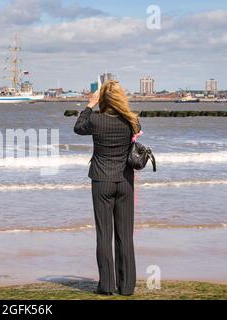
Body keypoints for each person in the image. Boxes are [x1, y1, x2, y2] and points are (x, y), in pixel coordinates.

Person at [74, 80, 141, 296]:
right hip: (125, 182)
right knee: (125, 235)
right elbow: (136, 130)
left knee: (104, 234)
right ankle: (127, 286)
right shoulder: (132, 120)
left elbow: (78, 128)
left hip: (101, 181)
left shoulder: (95, 120)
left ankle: (107, 286)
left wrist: (89, 105)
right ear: (121, 98)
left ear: (102, 99)